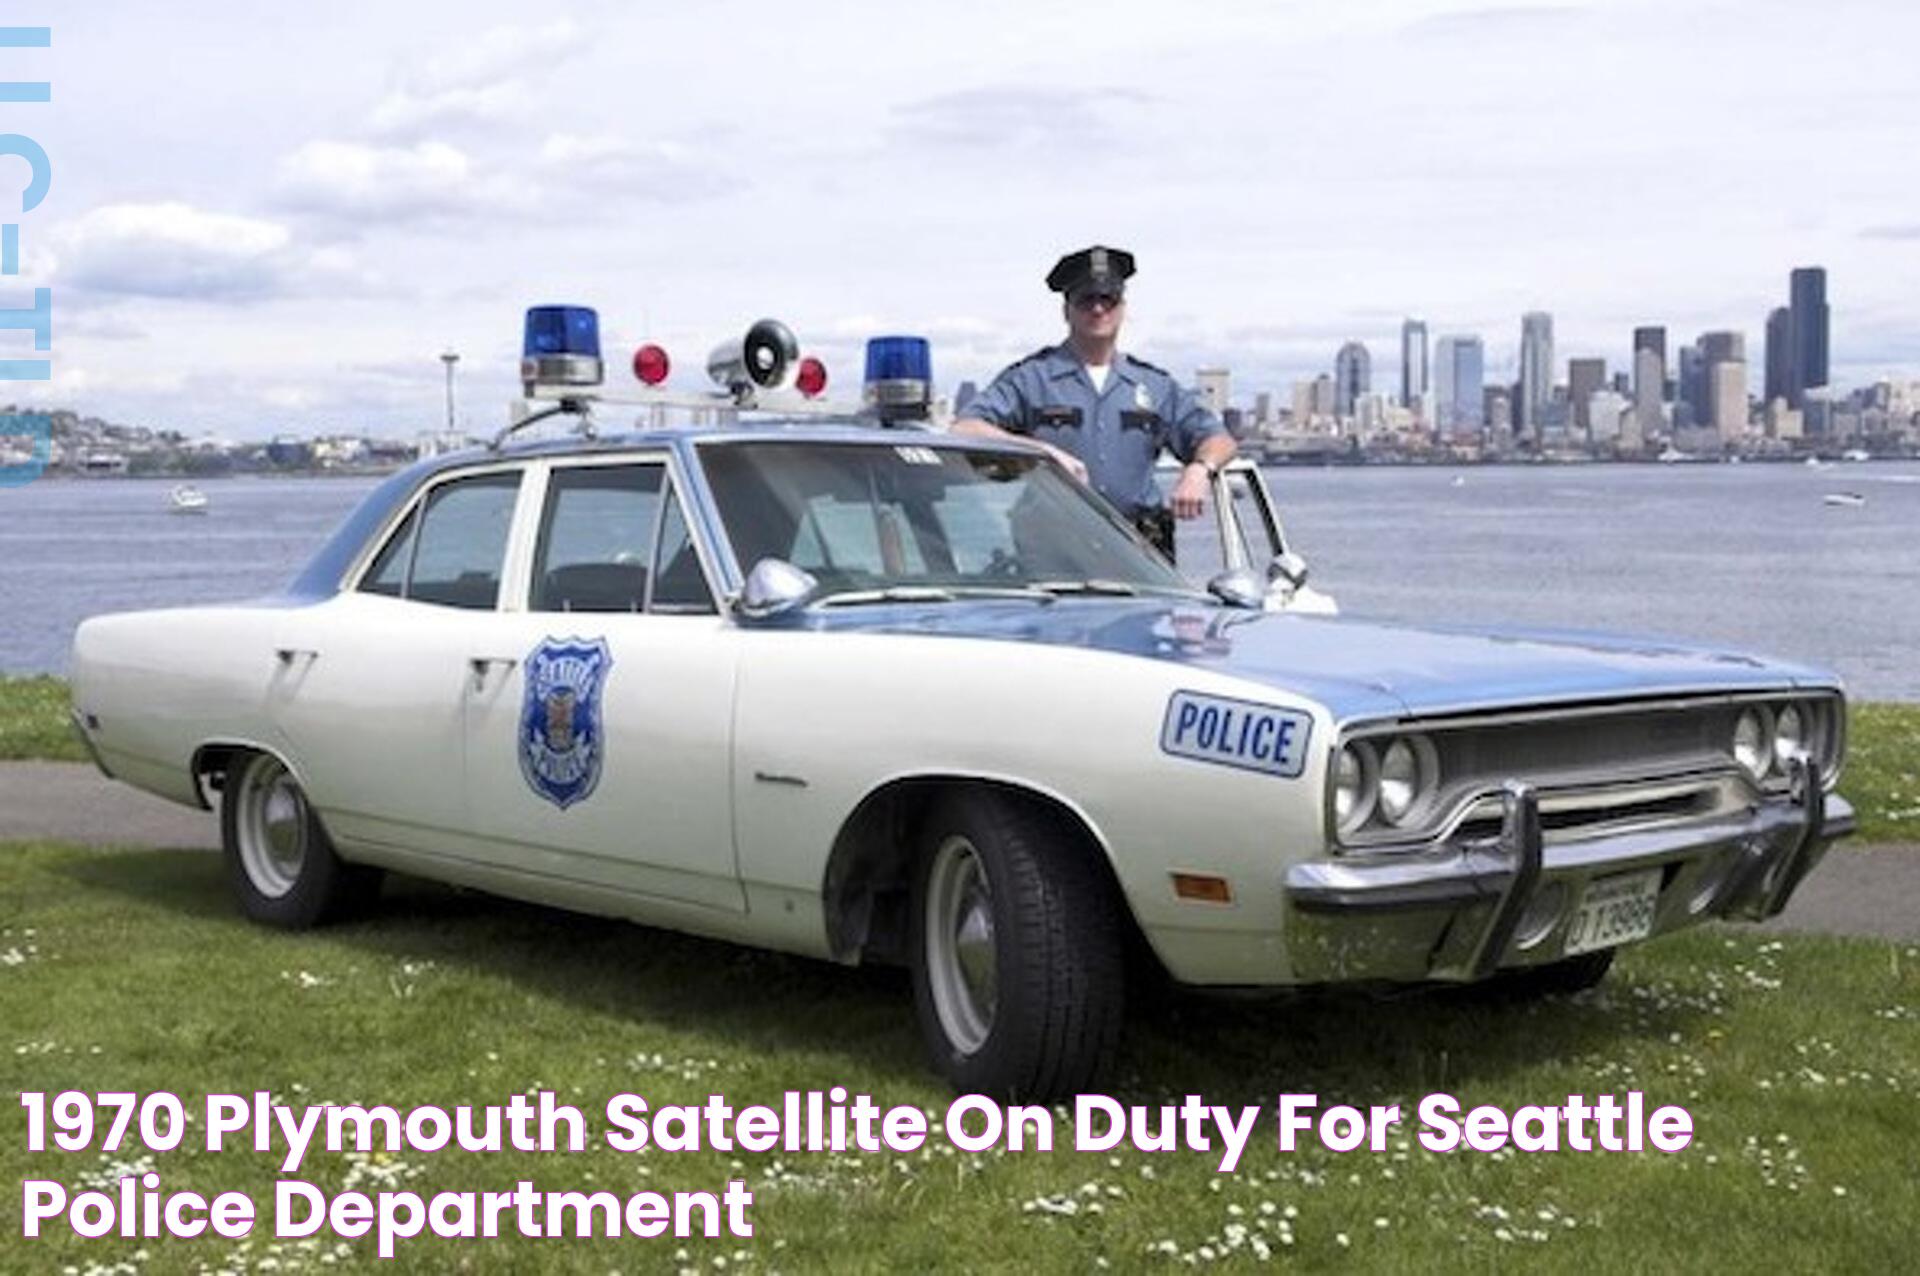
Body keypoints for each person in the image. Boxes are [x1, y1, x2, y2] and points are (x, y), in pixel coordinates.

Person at [950, 244, 1236, 561]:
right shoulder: (1031, 379)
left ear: (1122, 309)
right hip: (1055, 551)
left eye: (1108, 299)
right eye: (1087, 300)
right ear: (1066, 310)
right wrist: (1040, 452)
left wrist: (1199, 469)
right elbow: (965, 428)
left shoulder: (1154, 386)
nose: (1098, 310)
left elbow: (1219, 439)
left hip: (1139, 553)